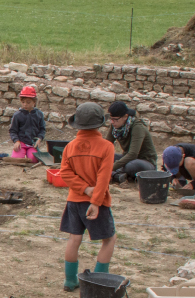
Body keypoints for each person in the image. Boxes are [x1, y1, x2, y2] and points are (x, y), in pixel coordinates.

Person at [58, 103, 117, 292]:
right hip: (96, 202)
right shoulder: (106, 147)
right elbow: (104, 178)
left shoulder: (70, 146)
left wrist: (83, 189)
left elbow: (65, 173)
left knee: (74, 239)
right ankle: (99, 283)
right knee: (109, 239)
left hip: (74, 200)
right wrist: (95, 200)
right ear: (100, 123)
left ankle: (69, 281)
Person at [107, 101, 157, 183]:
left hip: (144, 162)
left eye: (115, 119)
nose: (112, 122)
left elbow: (133, 154)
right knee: (109, 157)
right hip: (127, 158)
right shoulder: (116, 126)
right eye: (111, 119)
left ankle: (114, 173)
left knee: (131, 166)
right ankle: (117, 176)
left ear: (125, 116)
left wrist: (110, 167)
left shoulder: (137, 127)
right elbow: (107, 144)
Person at [8, 86, 46, 160]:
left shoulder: (39, 114)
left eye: (28, 102)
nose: (25, 104)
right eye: (23, 102)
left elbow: (42, 129)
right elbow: (13, 131)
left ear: (34, 102)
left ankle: (31, 153)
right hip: (21, 143)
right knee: (17, 160)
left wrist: (39, 139)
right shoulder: (17, 115)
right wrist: (16, 141)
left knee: (33, 159)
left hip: (33, 144)